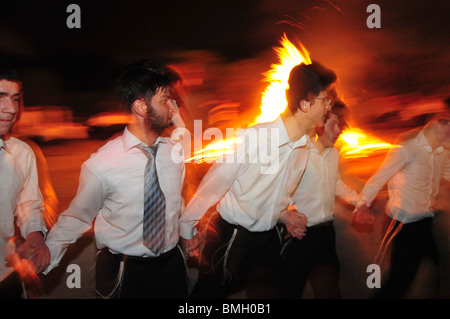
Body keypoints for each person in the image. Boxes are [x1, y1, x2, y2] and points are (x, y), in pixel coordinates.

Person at [180, 60, 337, 298]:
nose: (329, 106)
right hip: (232, 240)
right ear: (305, 103)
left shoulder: (303, 146)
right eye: (326, 99)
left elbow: (274, 195)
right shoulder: (254, 138)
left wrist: (285, 215)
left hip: (268, 241)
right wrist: (187, 228)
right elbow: (213, 185)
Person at [43, 61, 189, 299]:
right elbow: (77, 216)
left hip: (172, 265)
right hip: (123, 271)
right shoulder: (103, 163)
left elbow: (175, 201)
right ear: (141, 107)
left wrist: (187, 232)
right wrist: (47, 253)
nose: (172, 108)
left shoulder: (174, 153)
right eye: (164, 100)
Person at [280, 100, 373, 299]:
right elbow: (281, 191)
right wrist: (288, 213)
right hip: (300, 239)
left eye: (339, 125)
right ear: (318, 125)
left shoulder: (333, 154)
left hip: (326, 237)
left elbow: (336, 183)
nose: (338, 130)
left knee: (330, 293)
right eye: (332, 124)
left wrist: (360, 202)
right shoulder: (299, 153)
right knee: (290, 292)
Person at [354, 111, 450, 299]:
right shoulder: (407, 149)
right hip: (401, 224)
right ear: (436, 124)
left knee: (439, 267)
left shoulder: (443, 152)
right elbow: (378, 178)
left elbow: (448, 174)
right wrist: (362, 204)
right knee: (399, 281)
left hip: (425, 222)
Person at [0, 61, 50, 298]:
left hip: (7, 276)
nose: (11, 108)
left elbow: (29, 205)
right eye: (1, 96)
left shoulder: (22, 153)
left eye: (16, 98)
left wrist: (34, 235)